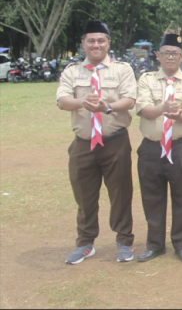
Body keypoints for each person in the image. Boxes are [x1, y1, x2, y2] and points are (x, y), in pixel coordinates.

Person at [56, 21, 137, 264]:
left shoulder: (122, 69)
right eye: (90, 40)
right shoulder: (72, 71)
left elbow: (130, 100)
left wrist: (107, 107)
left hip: (115, 142)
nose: (96, 45)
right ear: (83, 43)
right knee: (84, 196)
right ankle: (85, 243)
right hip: (83, 143)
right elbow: (62, 100)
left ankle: (124, 241)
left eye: (101, 40)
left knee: (121, 194)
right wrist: (83, 103)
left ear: (108, 43)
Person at [134, 34, 182, 263]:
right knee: (152, 198)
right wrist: (163, 108)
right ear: (158, 56)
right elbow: (144, 110)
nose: (170, 57)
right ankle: (155, 245)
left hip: (180, 147)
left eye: (175, 53)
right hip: (151, 148)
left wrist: (179, 114)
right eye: (166, 53)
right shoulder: (146, 79)